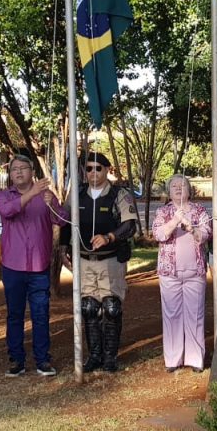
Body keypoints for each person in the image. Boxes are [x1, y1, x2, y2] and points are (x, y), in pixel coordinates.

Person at [0, 155, 68, 377]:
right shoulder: (3, 196)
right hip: (13, 265)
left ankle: (43, 360)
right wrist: (31, 194)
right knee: (15, 314)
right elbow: (8, 212)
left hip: (39, 266)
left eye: (23, 168)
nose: (18, 172)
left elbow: (62, 220)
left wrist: (52, 204)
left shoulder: (45, 195)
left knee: (40, 313)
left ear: (31, 171)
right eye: (14, 169)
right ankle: (16, 360)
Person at [70, 152, 138, 373]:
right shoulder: (77, 193)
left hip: (110, 260)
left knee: (111, 308)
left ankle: (110, 357)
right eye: (88, 168)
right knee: (88, 308)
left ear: (107, 170)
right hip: (84, 260)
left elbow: (129, 226)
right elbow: (66, 222)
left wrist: (109, 237)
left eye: (97, 168)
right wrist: (63, 248)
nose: (92, 173)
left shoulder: (120, 194)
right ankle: (94, 356)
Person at [151, 174, 213, 373]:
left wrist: (190, 226)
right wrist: (174, 220)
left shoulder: (200, 211)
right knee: (171, 315)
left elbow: (206, 234)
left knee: (195, 314)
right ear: (169, 191)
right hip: (170, 272)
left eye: (182, 185)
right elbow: (159, 234)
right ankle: (173, 359)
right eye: (174, 186)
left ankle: (195, 359)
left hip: (194, 272)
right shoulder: (163, 211)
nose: (178, 188)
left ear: (189, 190)